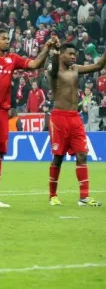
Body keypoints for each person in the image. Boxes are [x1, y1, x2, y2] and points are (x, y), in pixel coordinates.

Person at [0, 29, 56, 208]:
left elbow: (34, 64)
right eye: (3, 39)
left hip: (4, 112)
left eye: (7, 39)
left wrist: (46, 47)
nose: (7, 41)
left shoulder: (13, 59)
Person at [47, 43, 103, 207]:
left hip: (75, 118)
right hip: (59, 118)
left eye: (75, 54)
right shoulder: (54, 69)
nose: (73, 57)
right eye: (70, 54)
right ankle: (53, 195)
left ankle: (84, 197)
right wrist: (55, 51)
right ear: (62, 54)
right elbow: (54, 65)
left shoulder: (76, 69)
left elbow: (99, 65)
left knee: (82, 155)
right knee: (58, 158)